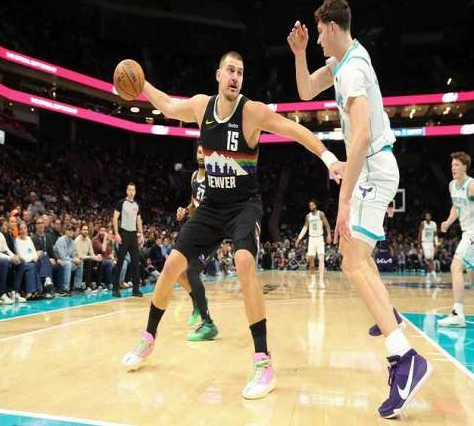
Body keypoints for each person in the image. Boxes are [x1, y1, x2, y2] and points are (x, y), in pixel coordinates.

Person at [122, 50, 344, 400]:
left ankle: (263, 362)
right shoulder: (202, 107)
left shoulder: (251, 111)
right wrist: (141, 84)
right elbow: (167, 106)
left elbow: (295, 130)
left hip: (243, 206)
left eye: (240, 72)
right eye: (230, 70)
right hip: (211, 207)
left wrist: (329, 158)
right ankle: (148, 339)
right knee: (172, 265)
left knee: (243, 262)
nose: (235, 77)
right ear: (218, 75)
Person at [287, 0, 431, 418]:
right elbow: (305, 90)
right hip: (371, 168)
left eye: (318, 33)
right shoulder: (343, 61)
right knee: (357, 258)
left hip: (372, 168)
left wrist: (344, 199)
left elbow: (363, 134)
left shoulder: (351, 69)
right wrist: (298, 54)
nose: (316, 40)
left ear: (332, 27)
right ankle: (390, 317)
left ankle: (405, 358)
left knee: (351, 260)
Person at [176, 141, 218, 341]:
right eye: (200, 152)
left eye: (205, 152)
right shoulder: (194, 176)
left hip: (211, 234)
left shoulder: (215, 177)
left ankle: (208, 323)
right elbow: (194, 205)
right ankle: (196, 301)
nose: (202, 155)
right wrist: (185, 210)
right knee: (177, 270)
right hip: (196, 229)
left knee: (192, 271)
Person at [438, 151, 473, 328]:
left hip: (473, 233)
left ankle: (457, 314)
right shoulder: (452, 185)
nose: (453, 168)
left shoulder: (471, 185)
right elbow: (456, 207)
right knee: (472, 277)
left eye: (457, 165)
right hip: (467, 231)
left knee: (456, 266)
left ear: (465, 167)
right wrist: (448, 222)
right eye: (452, 165)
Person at [112, 182, 145, 297]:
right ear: (126, 191)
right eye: (129, 190)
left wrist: (141, 234)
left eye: (133, 190)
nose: (131, 192)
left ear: (135, 192)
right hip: (124, 233)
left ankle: (135, 289)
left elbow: (138, 220)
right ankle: (115, 288)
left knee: (135, 262)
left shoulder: (136, 205)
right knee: (120, 261)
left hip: (133, 235)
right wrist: (116, 233)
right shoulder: (121, 203)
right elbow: (115, 218)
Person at [295, 199, 331, 289]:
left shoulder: (321, 214)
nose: (311, 206)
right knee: (311, 261)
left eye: (312, 205)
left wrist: (329, 235)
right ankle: (313, 282)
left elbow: (327, 225)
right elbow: (305, 228)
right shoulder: (308, 216)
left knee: (321, 259)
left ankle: (321, 281)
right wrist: (298, 239)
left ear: (315, 205)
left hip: (320, 238)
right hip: (311, 239)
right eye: (310, 205)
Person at [418, 213, 439, 285]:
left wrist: (436, 244)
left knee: (431, 260)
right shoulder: (423, 223)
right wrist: (419, 244)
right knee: (429, 259)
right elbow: (419, 234)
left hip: (431, 243)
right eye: (426, 216)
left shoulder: (434, 224)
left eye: (429, 216)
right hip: (425, 243)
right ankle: (435, 276)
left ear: (431, 217)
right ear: (425, 217)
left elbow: (435, 234)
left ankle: (428, 275)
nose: (428, 217)